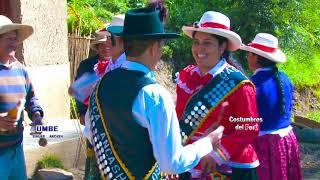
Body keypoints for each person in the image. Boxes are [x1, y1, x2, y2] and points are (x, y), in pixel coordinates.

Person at [88, 8, 225, 179]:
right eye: (161, 45)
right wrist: (208, 143)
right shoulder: (154, 95)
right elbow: (173, 163)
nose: (161, 52)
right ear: (154, 47)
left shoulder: (101, 84)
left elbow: (91, 130)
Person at [176, 11, 260, 179]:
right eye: (196, 42)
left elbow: (249, 127)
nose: (200, 48)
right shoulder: (185, 76)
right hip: (190, 159)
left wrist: (219, 154)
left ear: (222, 47)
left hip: (227, 164)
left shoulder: (238, 84)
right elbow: (180, 117)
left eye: (207, 43)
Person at [70, 15, 125, 180]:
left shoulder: (127, 68)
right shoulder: (91, 66)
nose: (106, 45)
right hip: (96, 128)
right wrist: (83, 111)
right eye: (103, 42)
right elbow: (78, 90)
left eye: (110, 39)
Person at [240, 33, 302, 180]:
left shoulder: (252, 85)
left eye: (249, 54)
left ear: (256, 58)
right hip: (287, 140)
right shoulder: (284, 78)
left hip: (266, 144)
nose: (247, 57)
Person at [0, 15, 44, 180]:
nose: (14, 43)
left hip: (17, 150)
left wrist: (37, 115)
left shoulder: (21, 70)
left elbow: (31, 98)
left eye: (15, 39)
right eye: (8, 39)